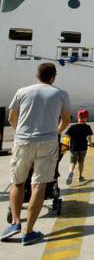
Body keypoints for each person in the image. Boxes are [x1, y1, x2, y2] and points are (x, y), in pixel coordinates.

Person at [2, 63, 71, 245]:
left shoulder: (22, 91)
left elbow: (11, 117)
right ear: (53, 76)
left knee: (17, 182)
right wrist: (56, 132)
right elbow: (66, 119)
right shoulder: (61, 94)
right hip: (47, 142)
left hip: (23, 141)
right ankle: (29, 231)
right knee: (38, 185)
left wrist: (20, 132)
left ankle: (16, 222)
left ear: (37, 75)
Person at [65, 109, 93, 184]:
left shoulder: (72, 127)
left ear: (78, 117)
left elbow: (67, 136)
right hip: (83, 147)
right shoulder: (87, 127)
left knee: (72, 161)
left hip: (73, 147)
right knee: (81, 161)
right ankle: (80, 177)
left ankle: (71, 172)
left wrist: (67, 144)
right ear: (85, 118)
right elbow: (89, 137)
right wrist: (90, 144)